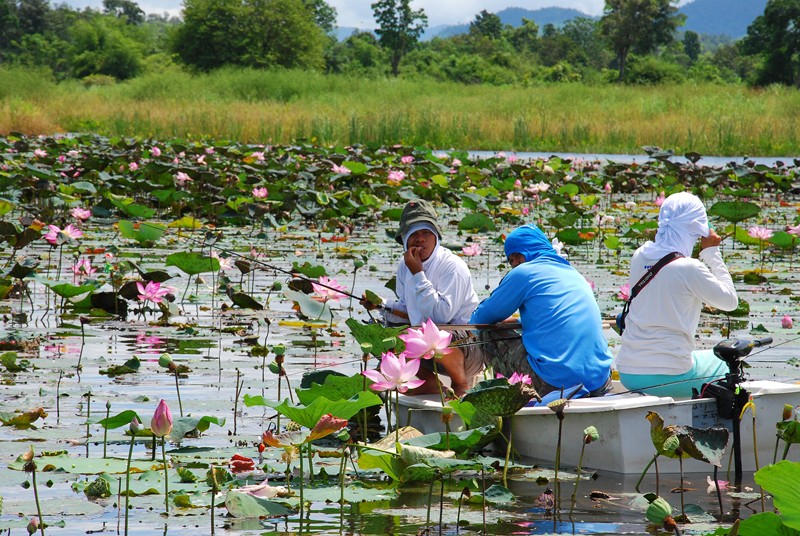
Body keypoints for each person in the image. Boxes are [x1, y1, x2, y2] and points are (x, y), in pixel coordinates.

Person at [615, 192, 738, 398]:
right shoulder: (689, 268)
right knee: (728, 364)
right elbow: (730, 302)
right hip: (669, 375)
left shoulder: (640, 255)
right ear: (697, 228)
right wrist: (711, 253)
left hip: (628, 372)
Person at [469, 224, 613, 398]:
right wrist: (520, 323)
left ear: (524, 253)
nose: (514, 266)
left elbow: (481, 318)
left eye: (515, 258)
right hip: (600, 380)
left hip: (554, 383)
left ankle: (510, 403)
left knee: (488, 333)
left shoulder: (524, 273)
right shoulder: (573, 273)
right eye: (511, 262)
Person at [362, 199, 482, 397]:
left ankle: (460, 384)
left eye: (426, 232)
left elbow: (441, 317)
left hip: (467, 348)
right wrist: (380, 305)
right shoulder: (405, 266)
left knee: (438, 334)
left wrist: (419, 274)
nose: (420, 239)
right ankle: (440, 389)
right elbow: (408, 309)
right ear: (405, 239)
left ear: (436, 236)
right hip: (427, 349)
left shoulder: (452, 266)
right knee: (393, 365)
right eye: (414, 234)